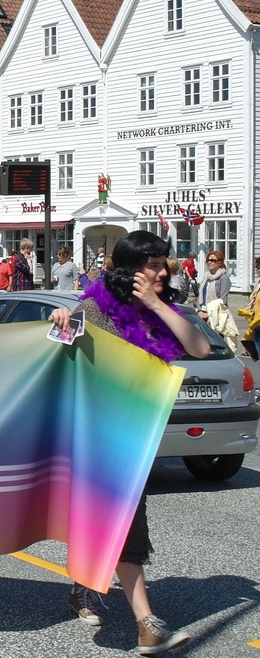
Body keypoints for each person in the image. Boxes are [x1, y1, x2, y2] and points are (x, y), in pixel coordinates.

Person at [50, 231, 203, 655]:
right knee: (124, 521)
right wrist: (59, 320)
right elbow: (58, 353)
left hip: (138, 433)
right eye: (153, 265)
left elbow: (199, 347)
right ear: (131, 269)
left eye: (163, 263)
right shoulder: (95, 310)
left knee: (107, 520)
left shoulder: (162, 312)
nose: (162, 271)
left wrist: (156, 304)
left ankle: (82, 589)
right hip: (97, 434)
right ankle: (147, 624)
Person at [196, 250, 230, 322]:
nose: (209, 262)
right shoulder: (206, 276)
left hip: (217, 315)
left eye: (212, 260)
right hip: (203, 312)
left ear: (219, 263)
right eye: (208, 260)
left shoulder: (223, 278)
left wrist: (209, 314)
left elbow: (223, 300)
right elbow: (201, 295)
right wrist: (199, 310)